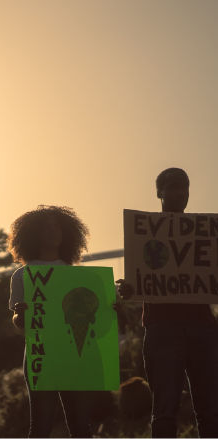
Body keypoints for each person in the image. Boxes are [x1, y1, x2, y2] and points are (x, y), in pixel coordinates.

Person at [117, 168, 218, 437]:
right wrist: (129, 288)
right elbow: (139, 279)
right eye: (172, 186)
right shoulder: (145, 237)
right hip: (162, 328)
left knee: (211, 410)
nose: (179, 193)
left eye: (184, 187)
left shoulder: (206, 235)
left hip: (203, 328)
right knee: (165, 410)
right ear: (159, 192)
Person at [8, 205, 92, 438]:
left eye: (57, 226)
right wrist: (20, 315)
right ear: (34, 234)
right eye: (46, 227)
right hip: (39, 354)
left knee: (80, 426)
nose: (53, 231)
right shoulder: (22, 275)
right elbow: (17, 321)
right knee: (41, 426)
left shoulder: (76, 275)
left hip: (73, 354)